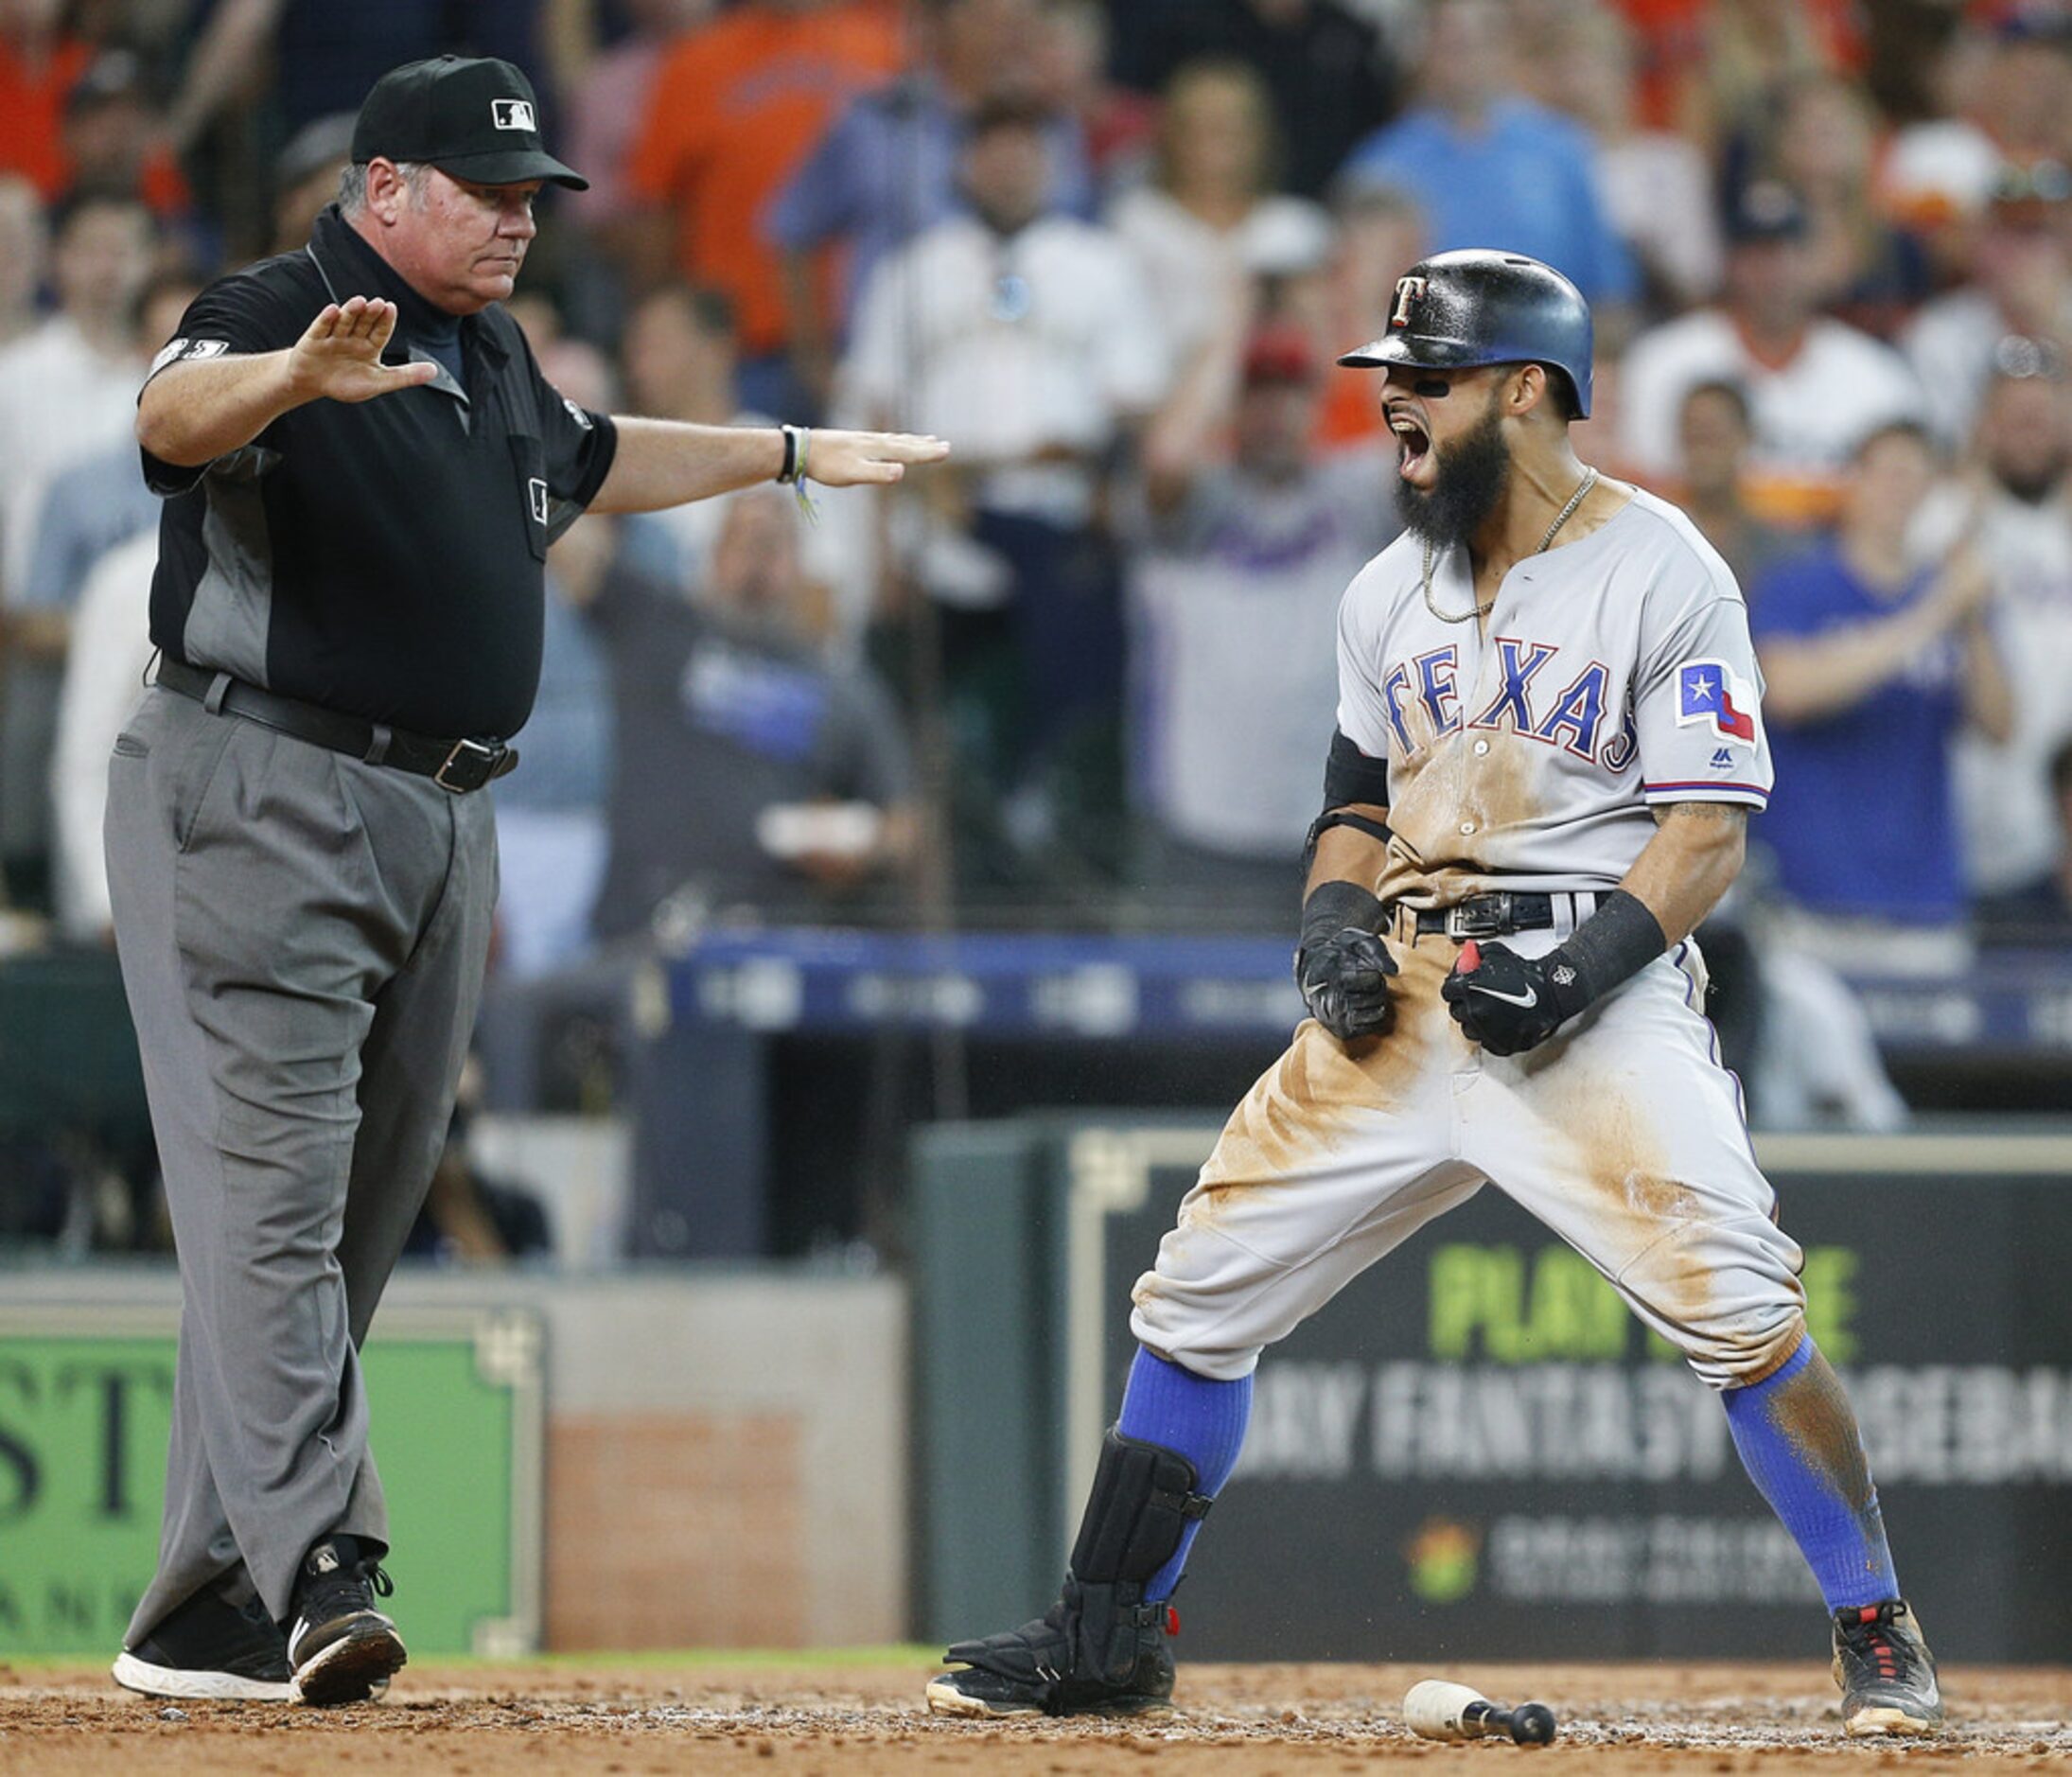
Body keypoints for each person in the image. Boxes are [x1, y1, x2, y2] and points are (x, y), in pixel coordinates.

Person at [925, 250, 1942, 1740]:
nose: (1392, 402)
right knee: (1196, 1295)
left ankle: (1873, 1620)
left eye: (1427, 377)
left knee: (1739, 1308)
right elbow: (1350, 798)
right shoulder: (1383, 588)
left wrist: (1580, 968)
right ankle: (1107, 1634)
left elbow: (1705, 830)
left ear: (1525, 390)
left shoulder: (1663, 566)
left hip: (1596, 978)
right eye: (1389, 376)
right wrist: (1334, 926)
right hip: (1408, 985)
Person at [105, 54, 943, 1709]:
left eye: (529, 194)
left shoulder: (491, 346)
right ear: (384, 187)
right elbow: (164, 417)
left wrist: (785, 449)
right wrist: (287, 378)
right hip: (259, 787)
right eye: (485, 192)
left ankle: (199, 1599)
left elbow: (597, 453)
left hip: (436, 812)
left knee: (359, 1204)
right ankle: (325, 1564)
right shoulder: (284, 301)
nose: (515, 220)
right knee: (275, 1190)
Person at [1128, 309, 1394, 924]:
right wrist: (1231, 330)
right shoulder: (1197, 507)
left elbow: (1433, 445)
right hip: (1203, 816)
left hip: (1332, 817)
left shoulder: (1354, 494)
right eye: (1257, 395)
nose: (1275, 412)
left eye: (1290, 395)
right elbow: (1165, 460)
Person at [582, 485, 919, 939]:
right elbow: (571, 548)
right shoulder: (656, 624)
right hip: (643, 918)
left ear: (800, 566)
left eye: (775, 544)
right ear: (714, 556)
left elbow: (903, 823)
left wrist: (861, 847)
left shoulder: (840, 685)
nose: (759, 561)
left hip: (775, 930)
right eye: (745, 541)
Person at [1750, 422, 2012, 975]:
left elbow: (1999, 724)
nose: (1906, 490)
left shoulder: (1951, 593)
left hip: (1924, 898)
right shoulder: (1798, 585)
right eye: (1892, 473)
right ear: (1854, 484)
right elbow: (1789, 694)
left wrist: (1972, 618)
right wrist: (1938, 609)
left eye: (1921, 476)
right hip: (1808, 901)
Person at [1619, 181, 1923, 525]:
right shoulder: (1663, 361)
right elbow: (1634, 491)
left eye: (1789, 251)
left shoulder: (1875, 374)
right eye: (1758, 254)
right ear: (1730, 263)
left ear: (1818, 261)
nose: (1775, 272)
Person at [1336, 0, 1637, 308]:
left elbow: (1608, 287)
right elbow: (1357, 296)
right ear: (1425, 51)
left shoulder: (1560, 151)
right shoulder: (1383, 164)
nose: (1466, 59)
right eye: (1452, 44)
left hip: (1549, 341)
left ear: (1506, 47)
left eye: (1481, 41)